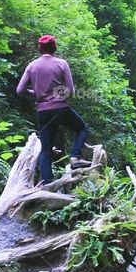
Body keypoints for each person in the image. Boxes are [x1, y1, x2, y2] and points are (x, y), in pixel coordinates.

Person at [16, 35, 89, 184]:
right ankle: (75, 157)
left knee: (46, 150)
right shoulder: (61, 64)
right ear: (54, 48)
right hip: (60, 109)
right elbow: (70, 90)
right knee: (82, 129)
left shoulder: (32, 66)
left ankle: (47, 184)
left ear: (39, 48)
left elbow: (20, 90)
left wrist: (34, 93)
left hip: (42, 112)